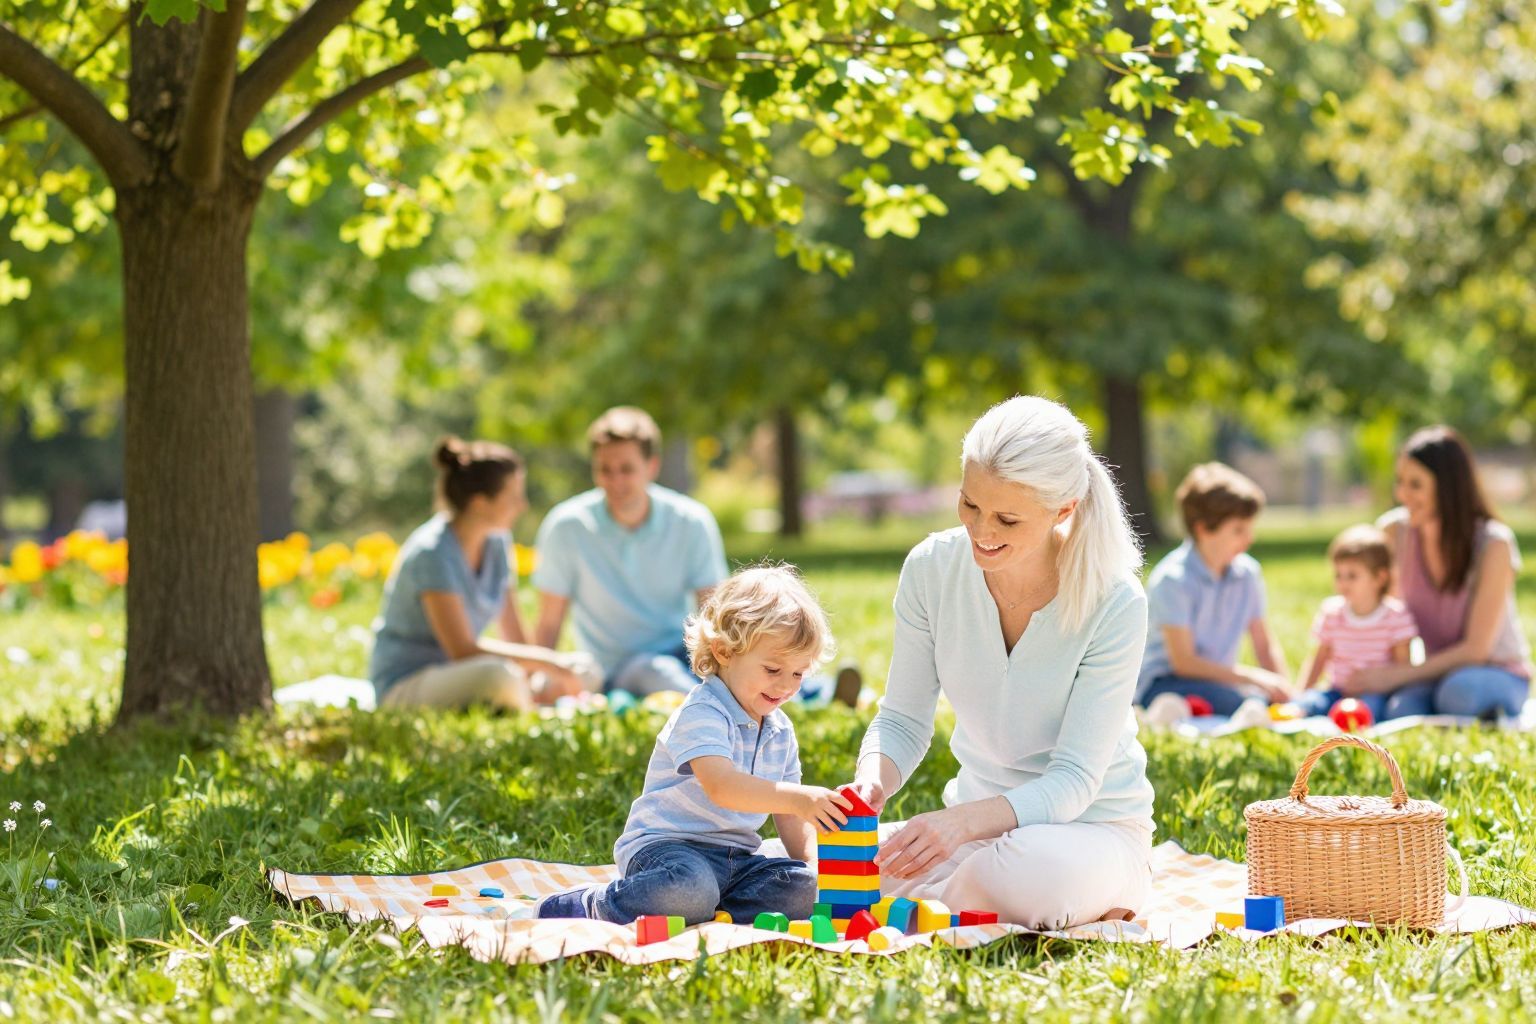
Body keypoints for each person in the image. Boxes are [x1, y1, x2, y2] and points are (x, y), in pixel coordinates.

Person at [845, 395, 1154, 930]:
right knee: (815, 864)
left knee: (1032, 876)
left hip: (1090, 834)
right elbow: (901, 719)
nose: (982, 533)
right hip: (976, 833)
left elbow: (1076, 779)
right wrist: (871, 784)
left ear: (1064, 509)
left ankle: (921, 898)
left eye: (1007, 518)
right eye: (970, 506)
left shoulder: (1115, 600)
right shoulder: (930, 570)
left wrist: (957, 826)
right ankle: (935, 894)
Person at [539, 565, 850, 924]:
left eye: (798, 673)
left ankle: (707, 910)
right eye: (772, 670)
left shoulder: (780, 730)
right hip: (667, 850)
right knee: (689, 889)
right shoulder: (704, 711)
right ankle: (592, 903)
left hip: (736, 861)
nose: (785, 686)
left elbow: (791, 819)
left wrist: (811, 866)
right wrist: (798, 797)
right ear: (723, 652)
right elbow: (723, 786)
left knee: (807, 889)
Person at [533, 406, 859, 704]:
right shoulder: (567, 527)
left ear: (652, 466)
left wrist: (731, 659)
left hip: (685, 647)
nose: (614, 480)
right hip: (618, 666)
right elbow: (549, 622)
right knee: (657, 671)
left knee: (748, 663)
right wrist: (537, 680)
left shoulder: (689, 520)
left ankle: (824, 692)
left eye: (626, 469)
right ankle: (720, 705)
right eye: (604, 469)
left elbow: (713, 610)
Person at [368, 438, 596, 710]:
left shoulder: (497, 542)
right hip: (408, 683)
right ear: (479, 503)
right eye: (513, 497)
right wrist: (546, 662)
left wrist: (542, 672)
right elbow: (462, 650)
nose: (522, 506)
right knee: (498, 676)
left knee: (585, 668)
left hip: (469, 675)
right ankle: (536, 711)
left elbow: (513, 633)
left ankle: (531, 701)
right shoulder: (432, 553)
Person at [1347, 426, 1532, 719]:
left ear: (1448, 487)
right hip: (1434, 673)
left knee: (1457, 694)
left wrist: (1395, 676)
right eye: (1400, 482)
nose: (1402, 494)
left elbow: (1476, 650)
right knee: (1400, 710)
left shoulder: (1494, 544)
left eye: (1415, 484)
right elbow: (1381, 613)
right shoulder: (1394, 533)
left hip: (1495, 672)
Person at [1136, 462, 1292, 716]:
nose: (1249, 539)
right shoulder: (1173, 579)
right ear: (1203, 529)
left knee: (1249, 699)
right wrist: (1252, 677)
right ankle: (1165, 712)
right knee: (1240, 702)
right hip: (1165, 682)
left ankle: (1204, 713)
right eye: (1238, 530)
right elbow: (1183, 662)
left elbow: (1264, 645)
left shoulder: (1247, 574)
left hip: (1218, 683)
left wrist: (1283, 690)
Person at [1294, 524, 1420, 721]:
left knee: (1366, 712)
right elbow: (1319, 659)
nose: (1343, 583)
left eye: (1352, 576)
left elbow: (1403, 667)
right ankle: (1284, 717)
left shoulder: (1396, 617)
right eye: (1338, 575)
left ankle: (1347, 731)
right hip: (1336, 690)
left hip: (1374, 693)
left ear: (1379, 577)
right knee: (1310, 703)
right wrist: (1301, 693)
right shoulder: (1332, 612)